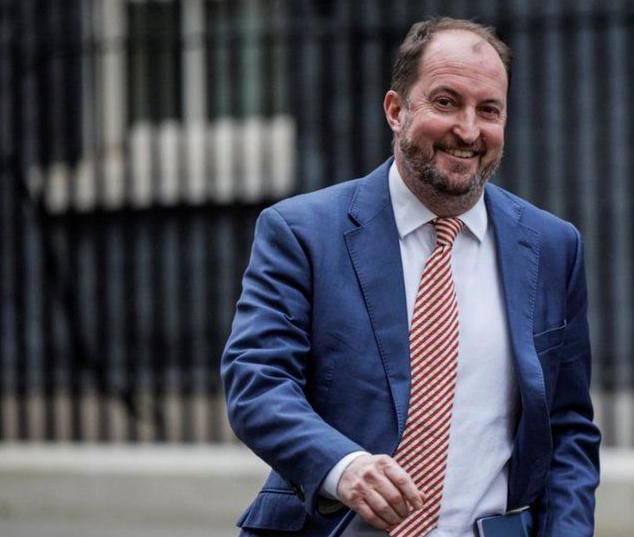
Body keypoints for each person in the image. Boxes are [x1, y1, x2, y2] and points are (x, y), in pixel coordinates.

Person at [221, 17, 600, 537]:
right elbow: (257, 382)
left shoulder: (554, 247)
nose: (468, 130)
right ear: (396, 111)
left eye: (489, 110)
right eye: (446, 102)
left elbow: (568, 430)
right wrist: (343, 467)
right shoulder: (302, 233)